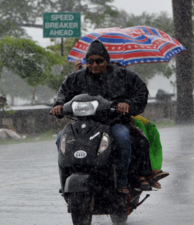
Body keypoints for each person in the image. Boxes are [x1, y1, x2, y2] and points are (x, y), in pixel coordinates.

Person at [50, 40, 150, 194]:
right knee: (60, 138)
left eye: (99, 61)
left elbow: (141, 92)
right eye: (90, 61)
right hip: (84, 125)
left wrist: (127, 104)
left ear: (107, 61)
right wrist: (59, 105)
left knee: (122, 137)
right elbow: (63, 93)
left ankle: (122, 181)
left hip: (113, 123)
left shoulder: (122, 75)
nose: (94, 65)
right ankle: (66, 180)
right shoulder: (77, 77)